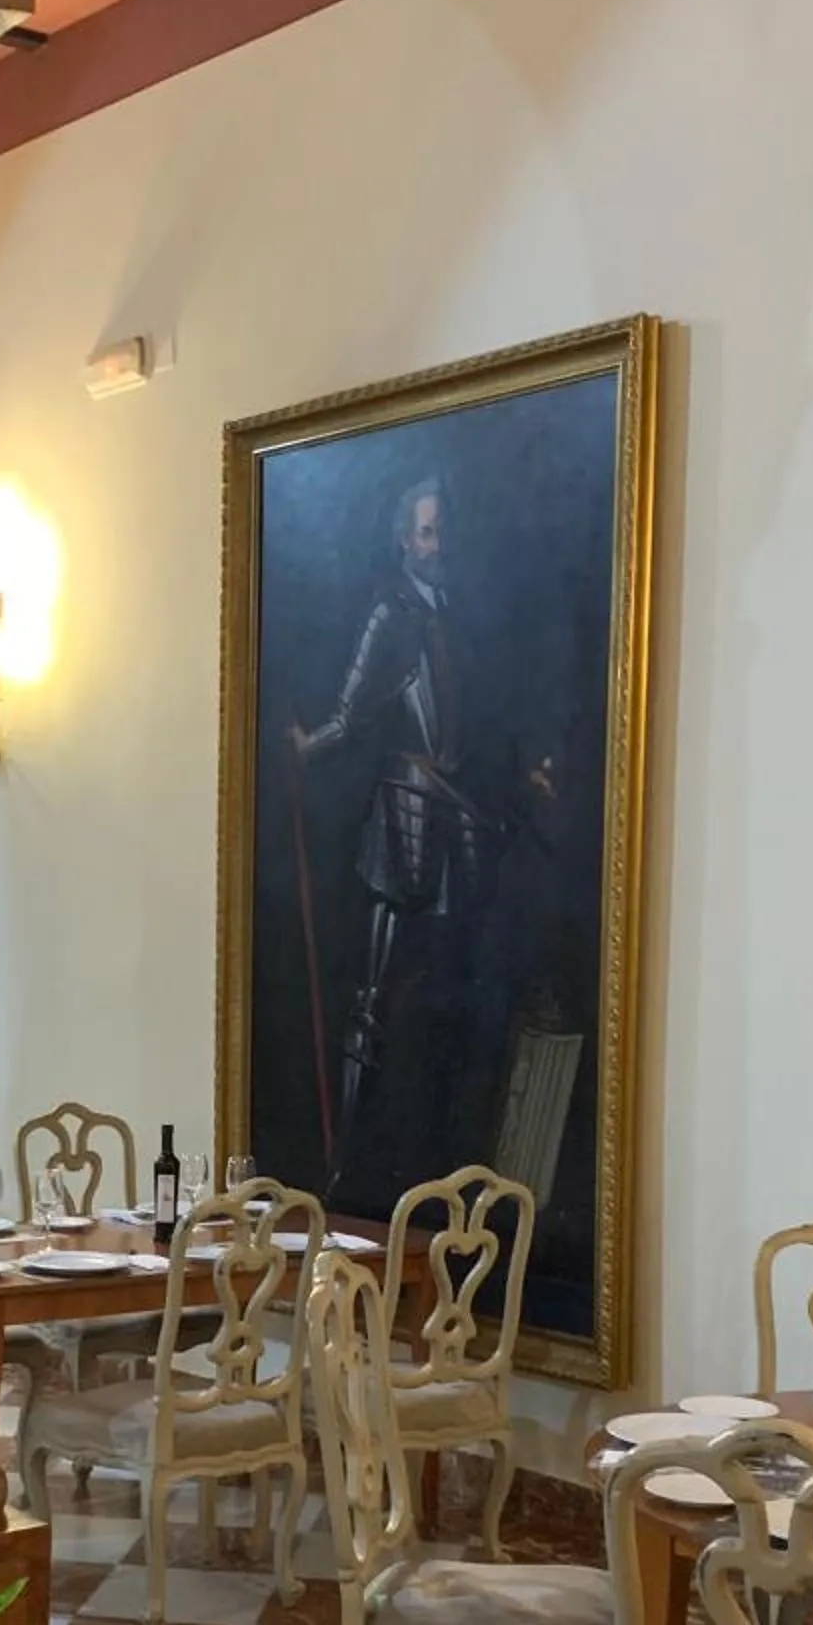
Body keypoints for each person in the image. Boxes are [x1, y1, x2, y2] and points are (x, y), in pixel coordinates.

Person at [290, 475, 545, 1194]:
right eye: (428, 531)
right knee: (372, 998)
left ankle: (439, 1159)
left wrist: (521, 776)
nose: (438, 544)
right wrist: (306, 747)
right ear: (405, 539)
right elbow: (352, 712)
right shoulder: (389, 614)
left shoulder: (455, 614)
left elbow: (479, 718)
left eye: (443, 530)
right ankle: (344, 1166)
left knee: (454, 994)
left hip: (456, 814)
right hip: (403, 813)